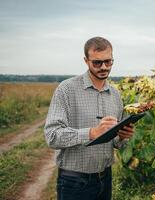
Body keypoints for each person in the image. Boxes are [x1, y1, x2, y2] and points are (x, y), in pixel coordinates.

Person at [44, 36, 134, 200]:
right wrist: (91, 133)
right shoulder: (67, 89)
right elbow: (52, 136)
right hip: (74, 182)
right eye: (97, 63)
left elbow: (115, 143)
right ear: (86, 61)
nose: (104, 67)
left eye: (108, 61)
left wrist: (121, 136)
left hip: (105, 178)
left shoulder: (115, 95)